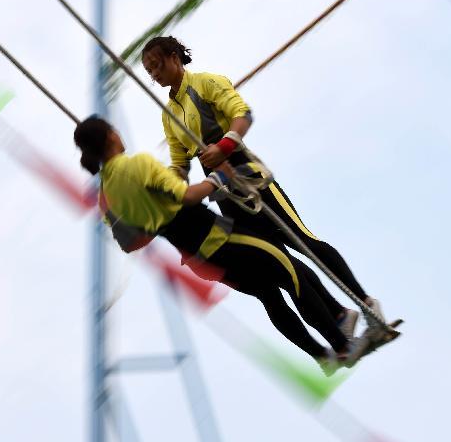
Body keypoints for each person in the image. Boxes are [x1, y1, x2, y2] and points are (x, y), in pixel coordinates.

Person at [73, 116, 372, 372]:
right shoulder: (137, 164)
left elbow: (131, 243)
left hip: (198, 259)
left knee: (269, 295)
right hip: (221, 239)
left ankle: (323, 357)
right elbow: (190, 196)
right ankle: (342, 345)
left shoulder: (105, 197)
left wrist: (156, 216)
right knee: (291, 272)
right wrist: (217, 178)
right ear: (111, 135)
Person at [140, 36, 386, 329]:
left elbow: (242, 115)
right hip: (223, 193)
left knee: (302, 240)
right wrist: (168, 187)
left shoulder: (206, 83)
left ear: (174, 57)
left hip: (247, 174)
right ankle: (339, 317)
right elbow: (180, 164)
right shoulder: (169, 117)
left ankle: (367, 302)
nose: (154, 74)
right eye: (149, 71)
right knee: (278, 263)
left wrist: (223, 147)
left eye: (157, 65)